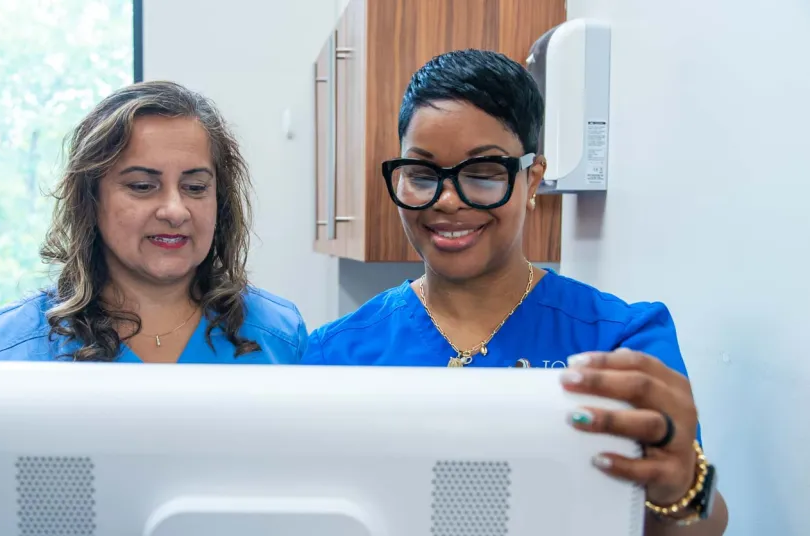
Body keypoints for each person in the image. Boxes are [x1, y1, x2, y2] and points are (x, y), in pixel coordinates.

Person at [303, 50, 728, 535]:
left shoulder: (620, 342)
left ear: (532, 178)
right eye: (422, 175)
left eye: (483, 173)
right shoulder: (334, 355)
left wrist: (684, 486)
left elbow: (701, 525)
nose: (447, 200)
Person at [0, 81, 307, 364]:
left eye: (195, 187)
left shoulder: (279, 336)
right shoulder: (1, 352)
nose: (175, 210)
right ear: (91, 201)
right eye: (142, 186)